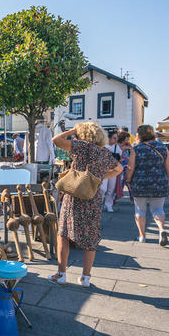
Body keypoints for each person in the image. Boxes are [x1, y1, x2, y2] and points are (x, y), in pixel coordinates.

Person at [49, 122, 122, 287]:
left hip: (74, 196)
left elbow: (56, 140)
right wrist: (100, 177)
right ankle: (85, 278)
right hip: (92, 197)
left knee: (64, 234)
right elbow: (119, 169)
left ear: (83, 134)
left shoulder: (82, 146)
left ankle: (61, 274)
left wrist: (73, 130)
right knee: (91, 238)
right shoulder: (105, 152)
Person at [126, 125, 169, 245]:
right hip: (159, 182)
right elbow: (168, 168)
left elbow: (130, 168)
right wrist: (168, 181)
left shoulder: (136, 149)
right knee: (158, 209)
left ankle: (142, 236)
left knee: (140, 210)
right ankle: (161, 229)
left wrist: (128, 180)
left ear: (140, 135)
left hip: (140, 183)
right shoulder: (163, 148)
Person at [100, 130, 122, 212]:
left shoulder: (117, 148)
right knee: (103, 189)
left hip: (113, 170)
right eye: (114, 138)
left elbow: (120, 158)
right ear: (108, 138)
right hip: (104, 170)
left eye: (116, 138)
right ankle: (100, 204)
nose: (116, 140)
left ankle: (108, 205)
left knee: (111, 189)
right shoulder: (103, 146)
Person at [115, 131, 132, 202]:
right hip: (119, 166)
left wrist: (129, 147)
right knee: (120, 183)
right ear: (123, 138)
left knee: (129, 183)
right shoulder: (117, 145)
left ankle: (132, 198)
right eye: (127, 138)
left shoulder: (128, 145)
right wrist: (124, 148)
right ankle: (114, 199)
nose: (128, 139)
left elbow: (132, 152)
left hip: (127, 167)